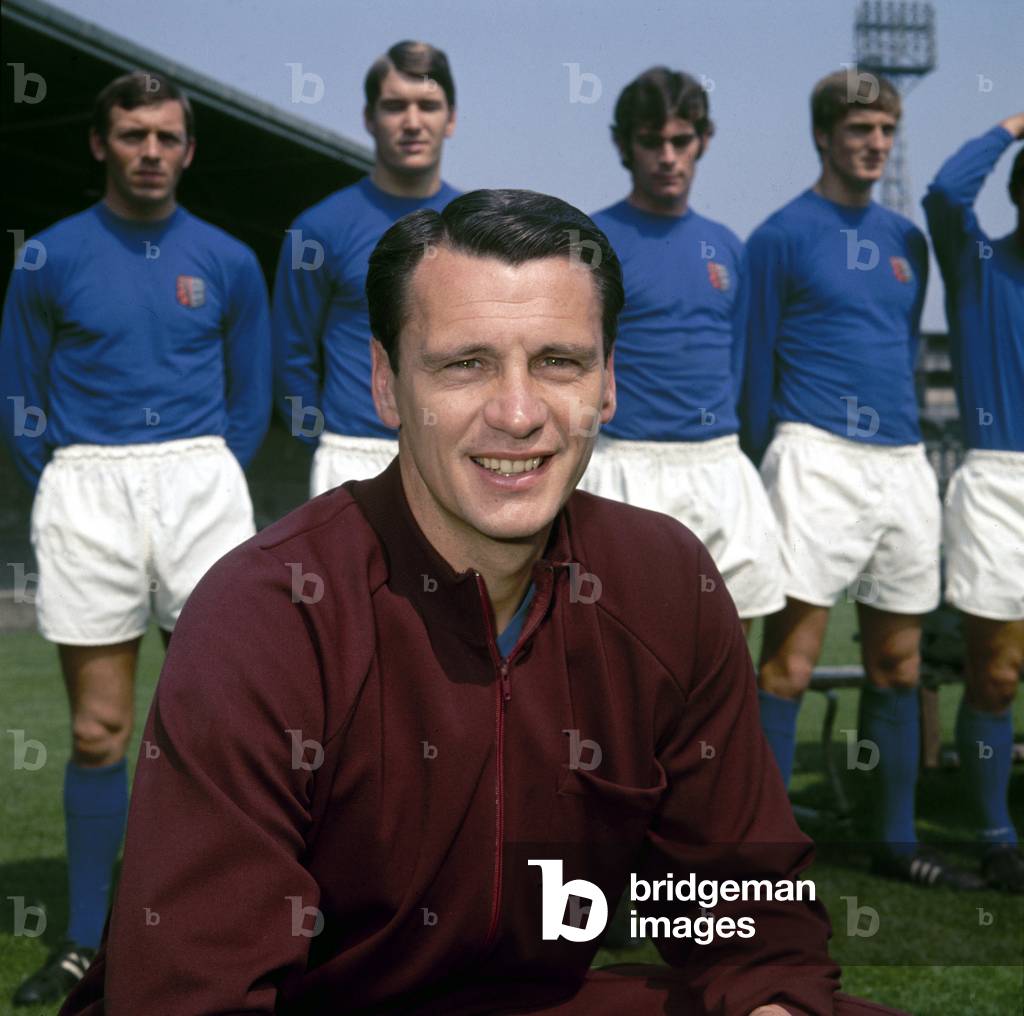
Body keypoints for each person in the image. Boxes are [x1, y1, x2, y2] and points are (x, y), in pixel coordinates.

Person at [61, 190, 903, 1016]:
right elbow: (189, 991)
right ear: (387, 386)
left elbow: (742, 910)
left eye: (558, 362)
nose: (517, 413)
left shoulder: (662, 580)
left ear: (608, 385)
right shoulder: (266, 614)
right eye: (465, 364)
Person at [0, 71, 271, 1006]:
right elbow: (19, 397)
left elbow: (251, 398)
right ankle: (83, 940)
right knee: (97, 730)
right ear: (100, 143)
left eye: (166, 136)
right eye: (131, 135)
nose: (150, 151)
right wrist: (69, 489)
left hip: (199, 482)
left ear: (189, 150)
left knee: (223, 727)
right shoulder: (49, 257)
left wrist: (207, 475)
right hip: (87, 486)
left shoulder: (229, 259)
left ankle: (224, 925)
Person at [739, 68, 982, 889]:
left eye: (884, 131)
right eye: (858, 131)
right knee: (791, 666)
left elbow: (903, 343)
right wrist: (762, 462)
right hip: (813, 454)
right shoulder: (779, 236)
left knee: (899, 666)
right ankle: (768, 851)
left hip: (903, 461)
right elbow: (754, 365)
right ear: (823, 136)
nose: (874, 144)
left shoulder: (908, 241)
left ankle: (896, 839)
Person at [580, 67, 785, 631]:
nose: (667, 157)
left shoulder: (727, 246)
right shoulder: (588, 240)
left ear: (703, 141)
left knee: (727, 654)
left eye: (680, 140)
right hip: (627, 466)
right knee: (626, 662)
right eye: (651, 142)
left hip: (719, 462)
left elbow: (742, 365)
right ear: (624, 145)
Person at [273, 39, 460, 497]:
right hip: (351, 455)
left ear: (451, 118)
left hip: (454, 447)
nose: (412, 122)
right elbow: (290, 354)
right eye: (395, 106)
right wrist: (321, 442)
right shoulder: (317, 228)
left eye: (428, 106)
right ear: (369, 118)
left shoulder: (476, 225)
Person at [922, 112, 1024, 892]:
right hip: (997, 481)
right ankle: (995, 832)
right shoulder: (981, 265)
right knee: (997, 672)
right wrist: (1014, 123)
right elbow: (946, 190)